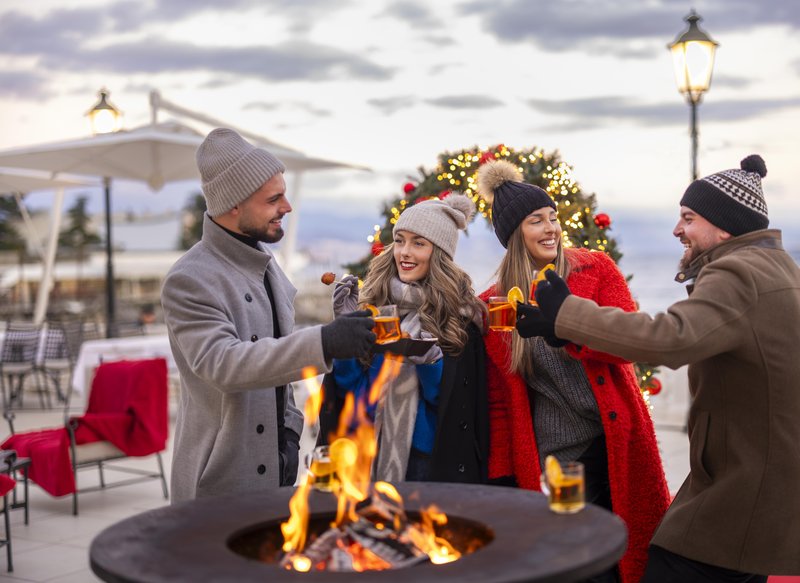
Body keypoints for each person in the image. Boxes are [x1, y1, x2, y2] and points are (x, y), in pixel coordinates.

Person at [526, 155, 800, 582]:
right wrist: (568, 331)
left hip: (740, 493)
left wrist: (566, 312)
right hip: (764, 485)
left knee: (668, 563)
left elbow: (669, 338)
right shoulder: (778, 269)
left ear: (724, 226)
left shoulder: (738, 273)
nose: (677, 230)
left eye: (688, 218)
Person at [475, 160, 670, 583]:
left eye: (553, 217)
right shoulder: (494, 304)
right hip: (552, 460)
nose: (551, 229)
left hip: (614, 442)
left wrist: (566, 328)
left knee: (623, 557)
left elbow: (625, 347)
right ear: (514, 234)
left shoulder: (595, 269)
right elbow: (499, 401)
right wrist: (504, 476)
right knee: (572, 565)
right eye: (536, 221)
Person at [162, 128, 376, 503]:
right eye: (273, 199)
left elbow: (277, 363)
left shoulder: (269, 265)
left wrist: (290, 434)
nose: (287, 207)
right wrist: (324, 341)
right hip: (218, 481)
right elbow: (223, 363)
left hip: (276, 474)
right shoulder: (188, 279)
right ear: (234, 205)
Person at [317, 194, 489, 484]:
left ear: (439, 254)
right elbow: (347, 388)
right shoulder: (375, 304)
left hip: (423, 463)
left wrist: (428, 362)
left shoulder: (460, 317)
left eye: (418, 243)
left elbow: (454, 409)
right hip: (360, 453)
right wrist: (346, 330)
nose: (404, 252)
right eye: (400, 240)